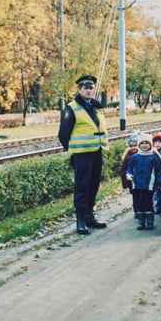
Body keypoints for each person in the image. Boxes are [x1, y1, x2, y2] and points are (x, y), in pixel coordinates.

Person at [58, 75, 109, 234]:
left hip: (97, 151)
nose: (88, 91)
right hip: (82, 154)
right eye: (85, 88)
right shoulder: (71, 108)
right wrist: (72, 150)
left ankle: (89, 216)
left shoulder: (96, 106)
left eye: (91, 88)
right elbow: (63, 133)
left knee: (93, 185)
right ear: (79, 90)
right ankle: (80, 220)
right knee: (82, 186)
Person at [125, 134, 161, 230]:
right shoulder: (135, 157)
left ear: (150, 145)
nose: (144, 145)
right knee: (139, 203)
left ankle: (150, 221)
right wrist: (128, 174)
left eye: (146, 143)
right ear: (139, 145)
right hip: (137, 184)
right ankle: (141, 221)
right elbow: (130, 167)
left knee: (148, 203)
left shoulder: (153, 157)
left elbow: (159, 170)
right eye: (142, 143)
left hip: (149, 185)